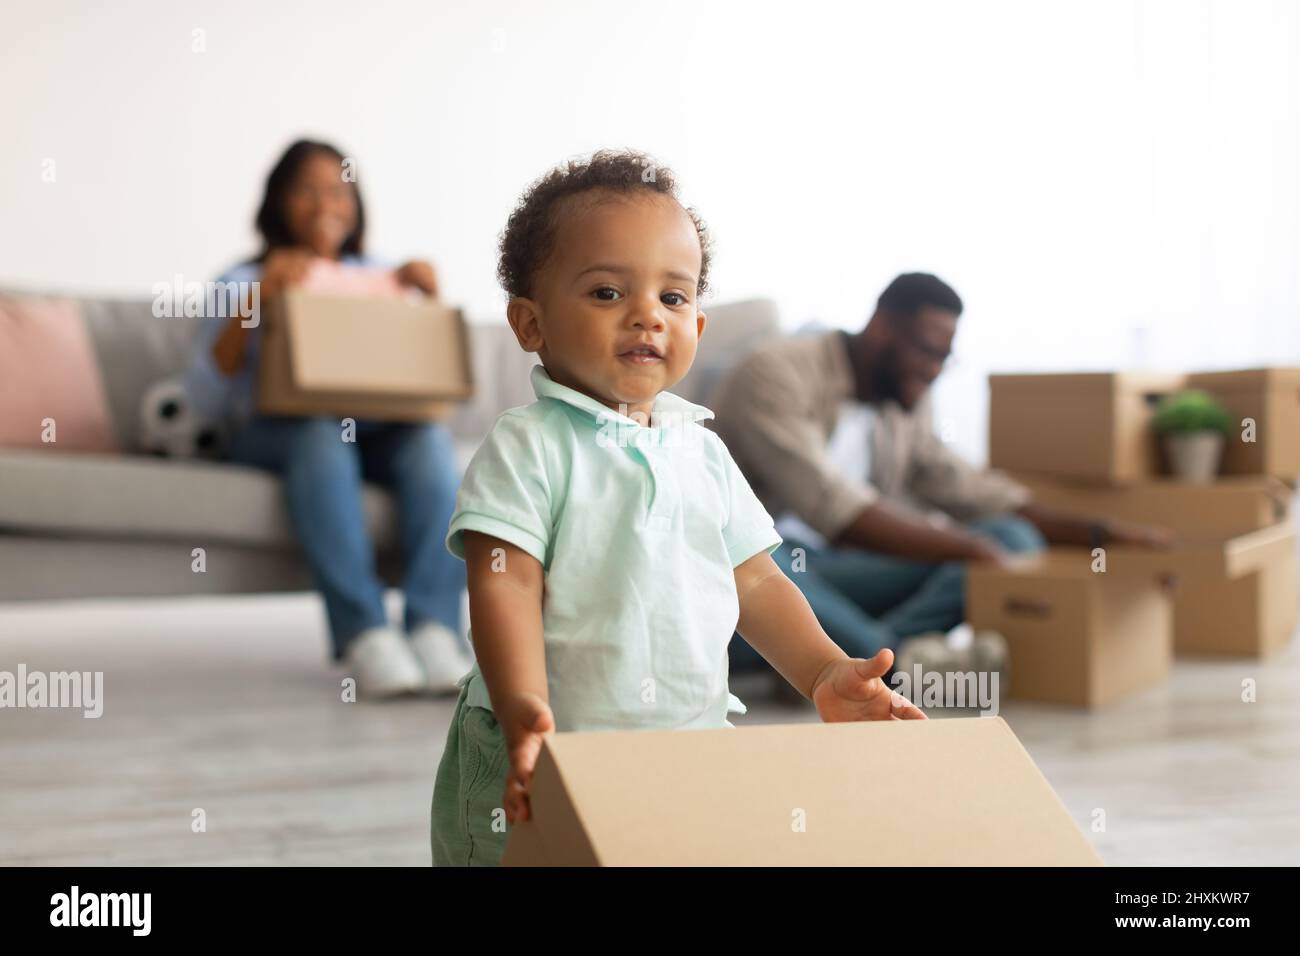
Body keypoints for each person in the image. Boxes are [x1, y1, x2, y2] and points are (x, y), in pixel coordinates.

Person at [429, 150, 926, 867]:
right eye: (606, 293)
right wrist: (521, 708)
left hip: (684, 749)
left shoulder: (702, 450)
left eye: (674, 297)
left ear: (697, 321)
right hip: (543, 751)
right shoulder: (529, 446)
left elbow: (755, 582)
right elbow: (504, 578)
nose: (646, 317)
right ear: (530, 323)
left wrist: (821, 671)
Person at [710, 272, 1173, 678]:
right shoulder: (775, 373)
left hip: (851, 574)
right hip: (775, 568)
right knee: (763, 566)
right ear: (882, 328)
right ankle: (893, 663)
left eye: (944, 358)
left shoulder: (905, 396)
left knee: (1013, 538)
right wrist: (968, 548)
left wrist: (1099, 534)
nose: (933, 372)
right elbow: (839, 512)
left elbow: (969, 489)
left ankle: (845, 659)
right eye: (927, 352)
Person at [184, 139, 473, 699]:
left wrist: (428, 299)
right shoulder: (245, 277)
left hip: (375, 429)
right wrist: (256, 301)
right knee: (320, 435)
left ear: (356, 203)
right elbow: (204, 397)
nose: (325, 205)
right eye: (306, 191)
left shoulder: (382, 275)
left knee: (429, 442)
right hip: (277, 431)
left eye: (338, 191)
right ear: (278, 202)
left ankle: (435, 626)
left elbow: (418, 376)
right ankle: (365, 632)